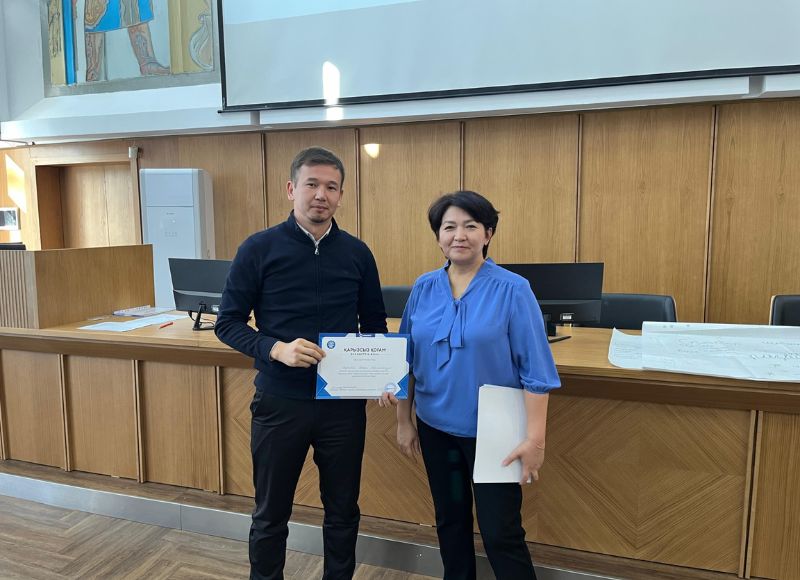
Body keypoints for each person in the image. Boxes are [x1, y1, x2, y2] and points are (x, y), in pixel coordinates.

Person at [215, 147, 387, 580]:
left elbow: (375, 327)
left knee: (343, 512)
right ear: (292, 189)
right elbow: (228, 323)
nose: (321, 195)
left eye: (331, 187)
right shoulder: (258, 249)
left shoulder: (358, 253)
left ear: (341, 195)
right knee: (270, 514)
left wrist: (383, 374)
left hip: (342, 406)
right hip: (279, 402)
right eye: (311, 184)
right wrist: (275, 349)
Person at [381, 190, 560, 580]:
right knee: (451, 521)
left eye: (470, 226)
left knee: (501, 533)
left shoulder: (513, 289)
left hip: (496, 433)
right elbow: (404, 358)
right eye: (449, 227)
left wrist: (536, 440)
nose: (459, 235)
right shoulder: (424, 287)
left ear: (488, 234)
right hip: (435, 428)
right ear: (438, 236)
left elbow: (536, 373)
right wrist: (404, 420)